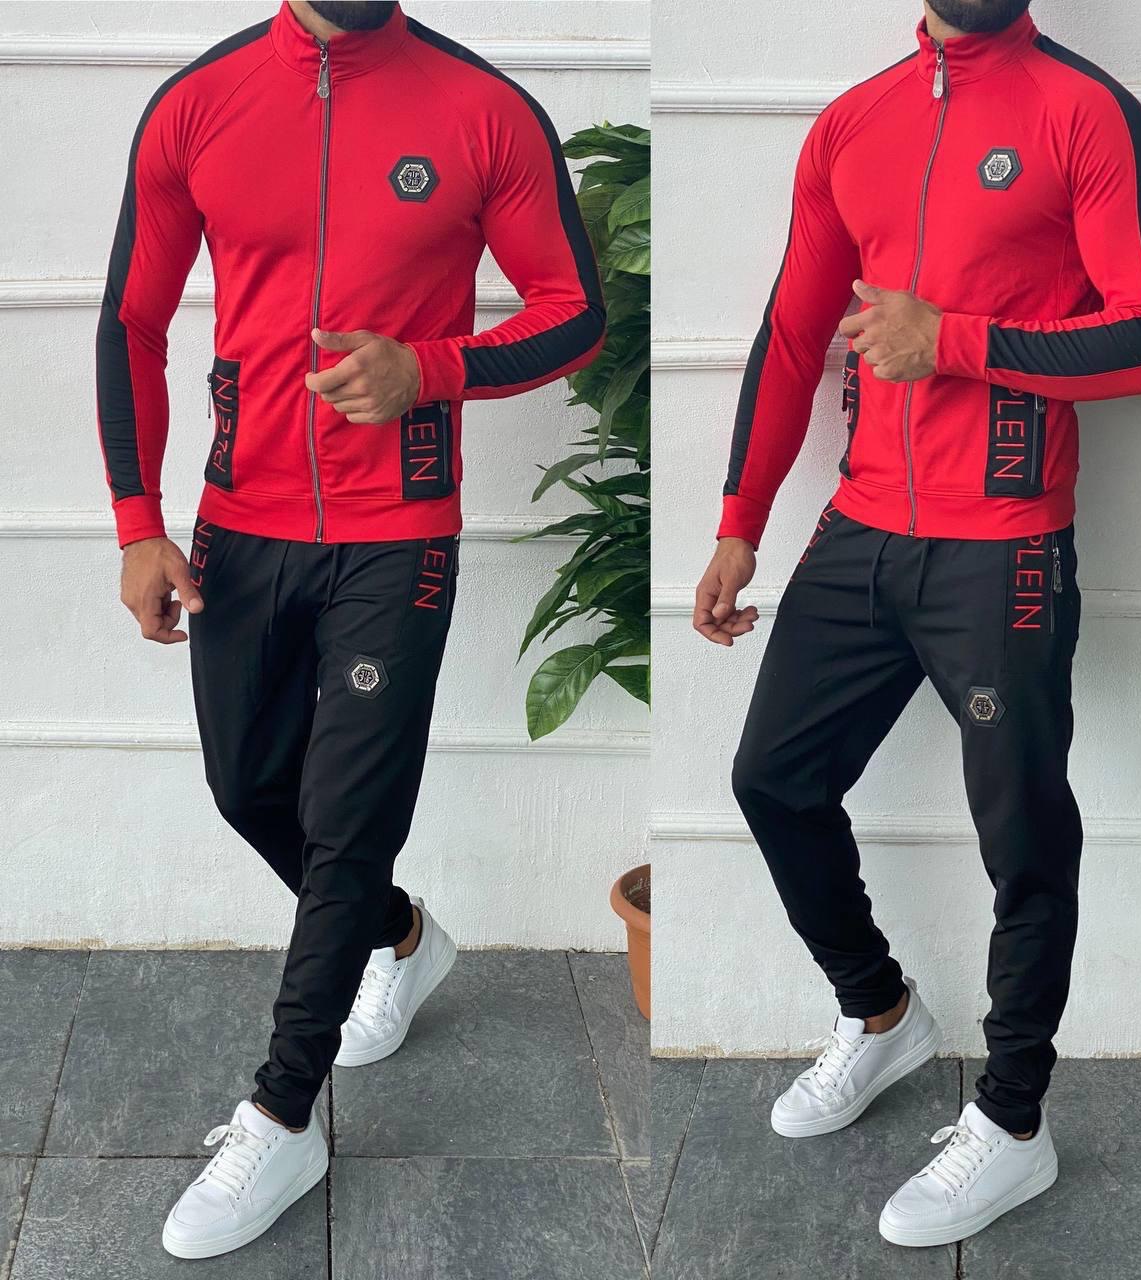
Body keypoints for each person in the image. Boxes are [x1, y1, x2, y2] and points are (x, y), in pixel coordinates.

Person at [95, 0, 603, 1257]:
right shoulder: (196, 104)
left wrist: (431, 366)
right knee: (244, 786)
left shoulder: (483, 110)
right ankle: (398, 935)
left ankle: (282, 1113)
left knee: (344, 822)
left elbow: (572, 309)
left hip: (397, 527)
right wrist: (136, 521)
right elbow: (132, 323)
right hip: (240, 519)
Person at [693, 0, 1141, 1248]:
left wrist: (953, 340)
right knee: (770, 778)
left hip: (1003, 537)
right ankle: (878, 1011)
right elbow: (793, 331)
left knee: (1020, 831)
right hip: (859, 527)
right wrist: (739, 519)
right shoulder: (849, 124)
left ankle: (1013, 1120)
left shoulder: (1086, 113)